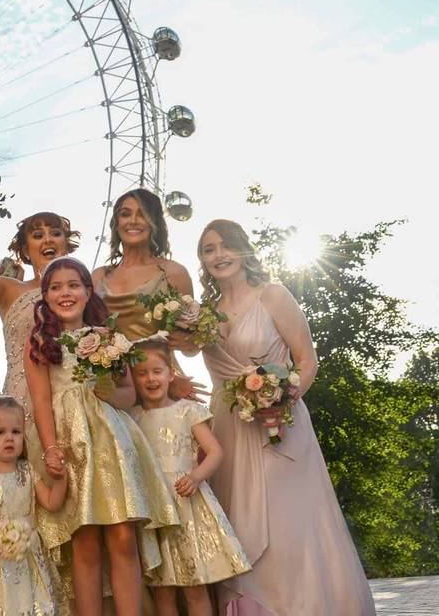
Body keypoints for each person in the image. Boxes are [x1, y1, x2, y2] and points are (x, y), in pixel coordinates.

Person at [196, 219, 375, 615]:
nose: (218, 255)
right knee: (237, 523)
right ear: (202, 260)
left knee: (288, 524)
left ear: (243, 251)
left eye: (226, 246)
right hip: (227, 428)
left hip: (279, 427)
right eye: (209, 249)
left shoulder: (273, 296)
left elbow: (307, 360)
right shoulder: (206, 314)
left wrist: (282, 400)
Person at [25, 256, 177, 616]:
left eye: (73, 285)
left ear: (88, 291)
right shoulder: (41, 343)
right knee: (85, 539)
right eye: (56, 287)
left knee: (124, 536)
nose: (66, 293)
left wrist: (111, 394)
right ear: (45, 296)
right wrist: (50, 449)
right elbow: (42, 402)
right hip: (69, 444)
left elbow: (127, 393)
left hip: (111, 443)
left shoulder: (109, 338)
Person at [129, 340, 251, 616]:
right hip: (155, 509)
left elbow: (215, 452)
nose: (151, 378)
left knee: (195, 586)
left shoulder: (188, 410)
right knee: (163, 591)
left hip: (188, 507)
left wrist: (196, 477)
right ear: (133, 378)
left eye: (157, 371)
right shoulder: (132, 417)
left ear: (171, 373)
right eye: (142, 373)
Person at [92, 189, 206, 400]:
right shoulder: (98, 277)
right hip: (113, 392)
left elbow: (191, 347)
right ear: (116, 223)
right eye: (126, 214)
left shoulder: (174, 273)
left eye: (142, 214)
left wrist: (189, 342)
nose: (133, 221)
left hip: (161, 390)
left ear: (155, 222)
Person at [0, 212, 79, 418]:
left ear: (66, 243)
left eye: (55, 233)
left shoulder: (85, 292)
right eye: (38, 235)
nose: (48, 239)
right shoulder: (9, 289)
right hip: (22, 405)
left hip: (75, 403)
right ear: (26, 250)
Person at [0, 396, 68, 615]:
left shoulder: (27, 471)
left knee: (35, 604)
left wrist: (61, 479)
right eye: (0, 432)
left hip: (28, 554)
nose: (9, 438)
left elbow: (51, 503)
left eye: (16, 432)